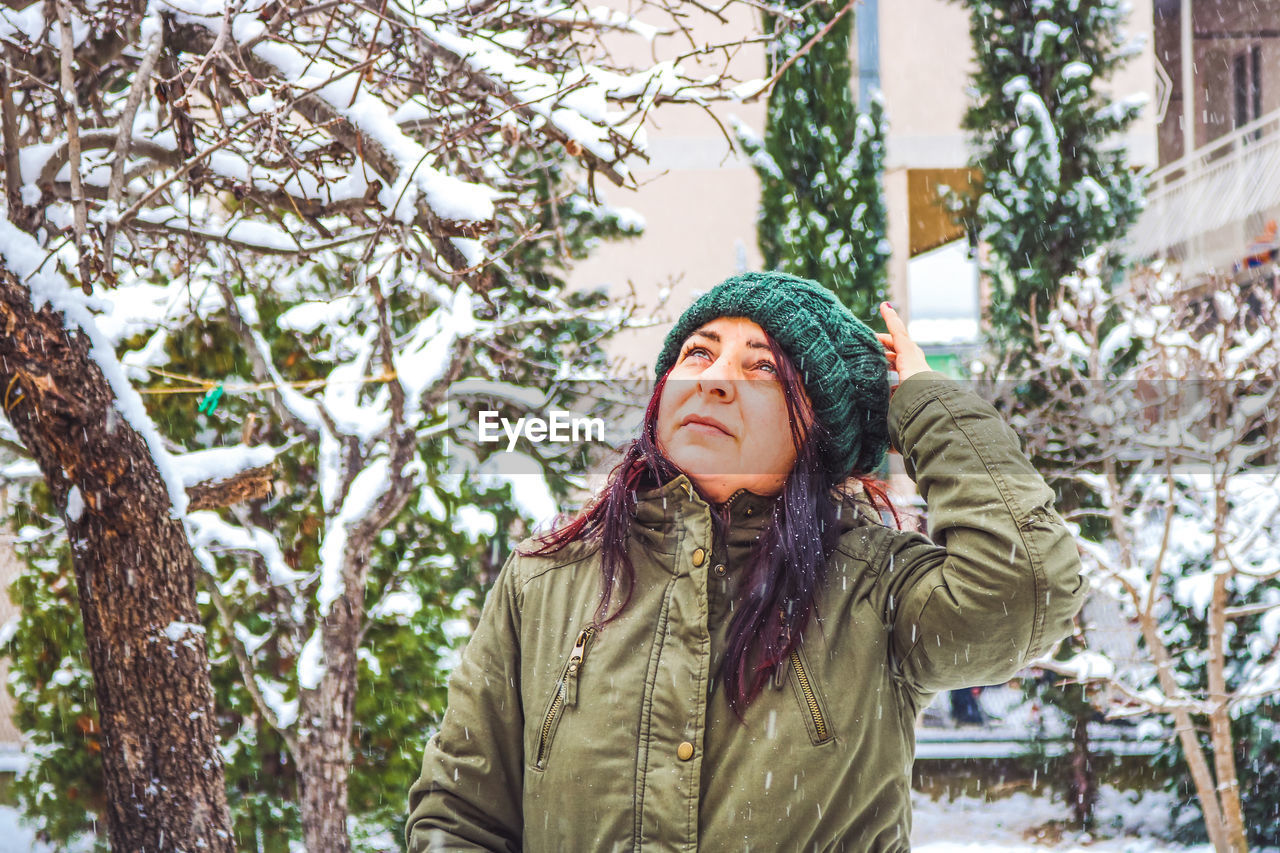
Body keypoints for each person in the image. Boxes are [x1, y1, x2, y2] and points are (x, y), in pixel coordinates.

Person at [405, 270, 1086, 851]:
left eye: (763, 366)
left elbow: (1025, 585)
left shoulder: (874, 588)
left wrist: (926, 401)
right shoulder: (546, 578)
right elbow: (460, 813)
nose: (716, 379)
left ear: (820, 429)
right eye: (697, 355)